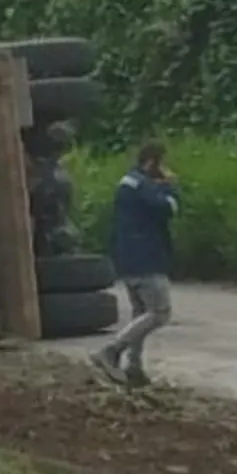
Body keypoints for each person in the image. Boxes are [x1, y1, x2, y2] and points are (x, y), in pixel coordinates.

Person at [91, 141, 180, 387]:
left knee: (140, 313)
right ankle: (111, 351)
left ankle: (134, 367)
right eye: (162, 163)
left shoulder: (127, 183)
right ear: (152, 162)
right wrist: (171, 189)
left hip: (127, 258)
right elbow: (168, 209)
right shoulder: (145, 187)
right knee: (160, 312)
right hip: (147, 258)